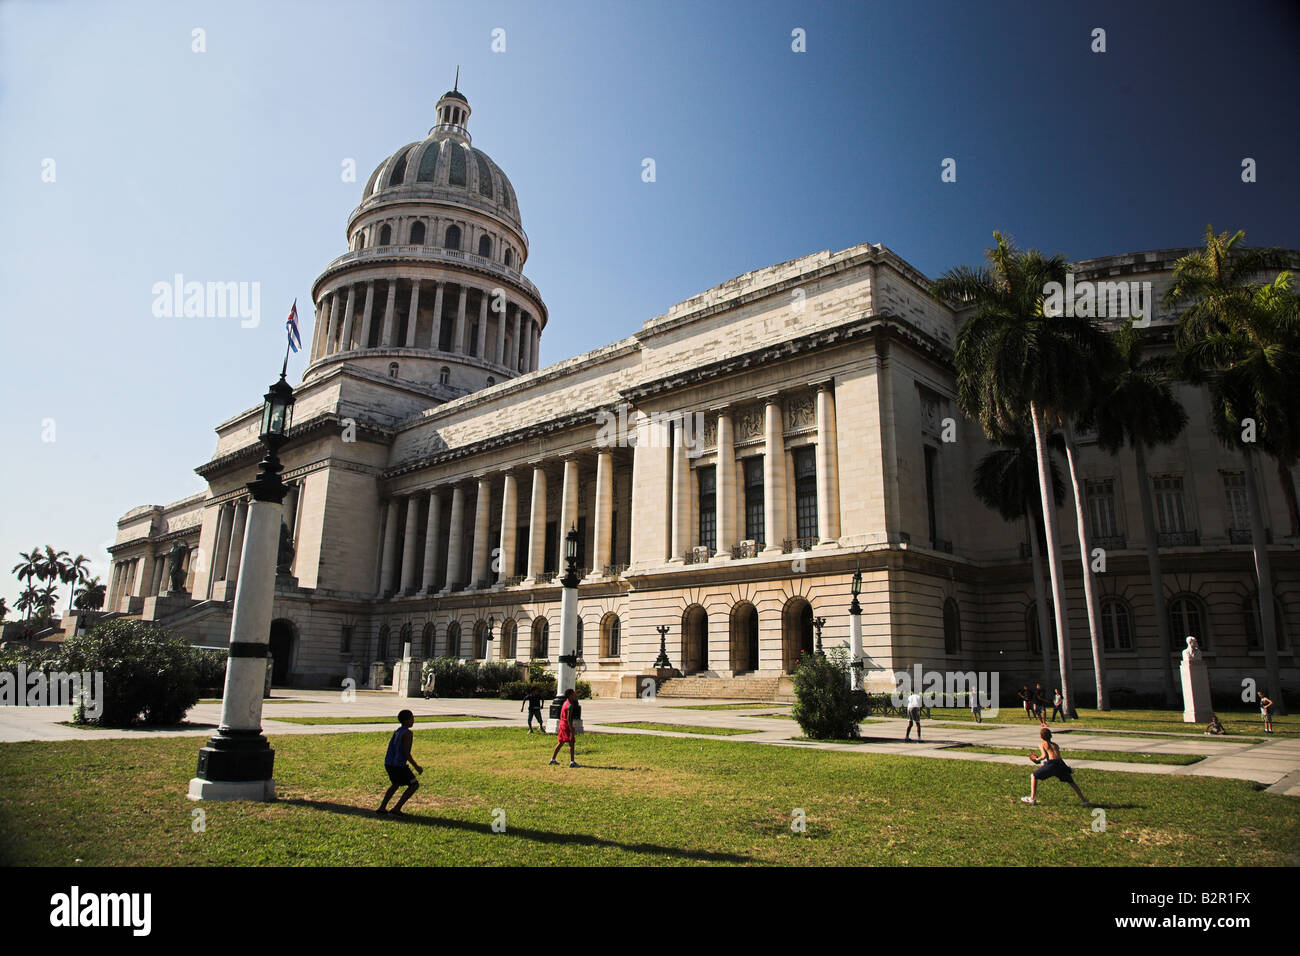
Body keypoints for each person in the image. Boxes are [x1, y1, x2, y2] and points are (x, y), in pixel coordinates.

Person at [1021, 727, 1091, 806]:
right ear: (1051, 736)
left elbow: (1044, 756)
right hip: (1060, 764)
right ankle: (1084, 801)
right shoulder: (1055, 745)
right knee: (1071, 782)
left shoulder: (1042, 744)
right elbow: (1054, 756)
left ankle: (1032, 798)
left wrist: (1036, 759)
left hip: (1052, 764)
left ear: (1041, 737)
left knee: (1033, 775)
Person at [378, 709, 423, 816]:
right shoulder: (407, 733)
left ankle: (382, 807)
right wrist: (417, 767)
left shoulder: (398, 731)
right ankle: (397, 808)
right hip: (399, 765)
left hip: (389, 763)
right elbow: (406, 753)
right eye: (412, 718)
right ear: (407, 720)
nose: (413, 720)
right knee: (414, 785)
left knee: (395, 784)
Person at [549, 688, 582, 767]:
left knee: (561, 742)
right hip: (567, 726)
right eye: (574, 693)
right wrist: (571, 728)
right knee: (572, 743)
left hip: (562, 725)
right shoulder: (570, 705)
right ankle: (572, 761)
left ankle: (553, 759)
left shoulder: (565, 703)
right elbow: (569, 718)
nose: (575, 695)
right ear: (570, 695)